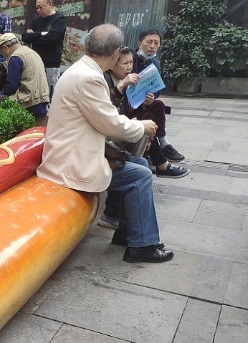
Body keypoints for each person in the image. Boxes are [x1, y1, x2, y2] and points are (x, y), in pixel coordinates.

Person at [37, 24, 174, 263]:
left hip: (75, 151)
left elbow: (104, 118)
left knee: (139, 162)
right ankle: (141, 246)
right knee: (140, 175)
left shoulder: (81, 70)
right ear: (115, 51)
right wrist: (142, 127)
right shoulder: (90, 78)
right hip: (71, 162)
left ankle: (130, 234)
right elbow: (110, 124)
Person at [98, 46, 189, 230]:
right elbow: (110, 117)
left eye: (131, 62)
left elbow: (129, 112)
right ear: (111, 65)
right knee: (134, 165)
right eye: (125, 63)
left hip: (119, 133)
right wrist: (122, 88)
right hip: (109, 140)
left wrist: (143, 105)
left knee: (154, 110)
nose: (130, 67)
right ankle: (115, 214)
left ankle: (124, 223)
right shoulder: (105, 82)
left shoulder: (125, 80)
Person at [131, 29, 185, 162]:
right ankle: (149, 154)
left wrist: (151, 97)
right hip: (128, 102)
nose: (152, 46)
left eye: (156, 43)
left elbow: (157, 90)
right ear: (139, 43)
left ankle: (162, 143)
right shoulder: (130, 59)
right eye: (149, 42)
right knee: (149, 113)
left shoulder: (155, 63)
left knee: (157, 105)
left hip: (144, 102)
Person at [0, 33, 50, 125]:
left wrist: (1, 93)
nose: (1, 54)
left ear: (6, 48)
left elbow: (11, 87)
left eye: (0, 51)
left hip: (30, 101)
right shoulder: (32, 52)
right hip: (43, 99)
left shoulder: (15, 57)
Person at [21, 0, 66, 98]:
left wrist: (33, 35)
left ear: (50, 4)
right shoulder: (36, 20)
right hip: (36, 63)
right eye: (36, 8)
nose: (38, 10)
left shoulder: (59, 19)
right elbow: (25, 37)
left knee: (50, 94)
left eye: (40, 7)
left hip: (51, 64)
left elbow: (51, 38)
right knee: (36, 93)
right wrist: (41, 34)